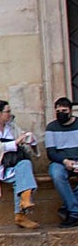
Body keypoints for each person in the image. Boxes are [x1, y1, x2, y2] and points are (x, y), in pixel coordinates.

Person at [0, 98, 39, 229]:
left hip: (15, 163)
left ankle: (23, 205)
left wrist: (29, 139)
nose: (10, 114)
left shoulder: (11, 126)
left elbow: (21, 136)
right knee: (24, 173)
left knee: (25, 167)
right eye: (7, 112)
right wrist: (14, 143)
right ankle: (22, 209)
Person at [44, 96, 78, 228]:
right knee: (56, 174)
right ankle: (75, 212)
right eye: (58, 111)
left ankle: (67, 207)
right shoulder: (52, 127)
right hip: (61, 161)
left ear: (70, 111)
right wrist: (65, 161)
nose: (61, 114)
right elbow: (51, 153)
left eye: (64, 111)